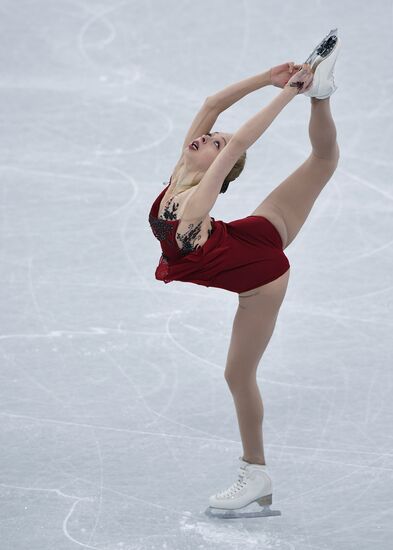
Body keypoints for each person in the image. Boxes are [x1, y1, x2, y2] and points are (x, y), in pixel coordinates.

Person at [148, 28, 341, 518]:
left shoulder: (194, 203)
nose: (206, 136)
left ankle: (255, 471)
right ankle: (325, 97)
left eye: (213, 143)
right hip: (252, 233)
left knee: (238, 374)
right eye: (209, 137)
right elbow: (213, 102)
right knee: (324, 159)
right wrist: (268, 78)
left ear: (220, 169)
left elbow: (237, 146)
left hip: (261, 275)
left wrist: (285, 96)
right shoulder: (177, 177)